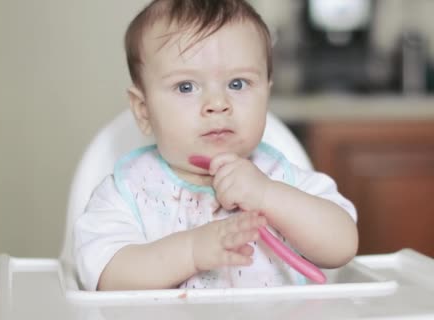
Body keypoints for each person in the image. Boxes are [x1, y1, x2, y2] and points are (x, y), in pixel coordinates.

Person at [73, 0, 358, 291]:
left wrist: (267, 194)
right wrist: (192, 251)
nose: (218, 104)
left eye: (237, 84)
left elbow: (343, 245)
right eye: (186, 87)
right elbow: (106, 276)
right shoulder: (127, 192)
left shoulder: (283, 179)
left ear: (266, 94)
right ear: (144, 110)